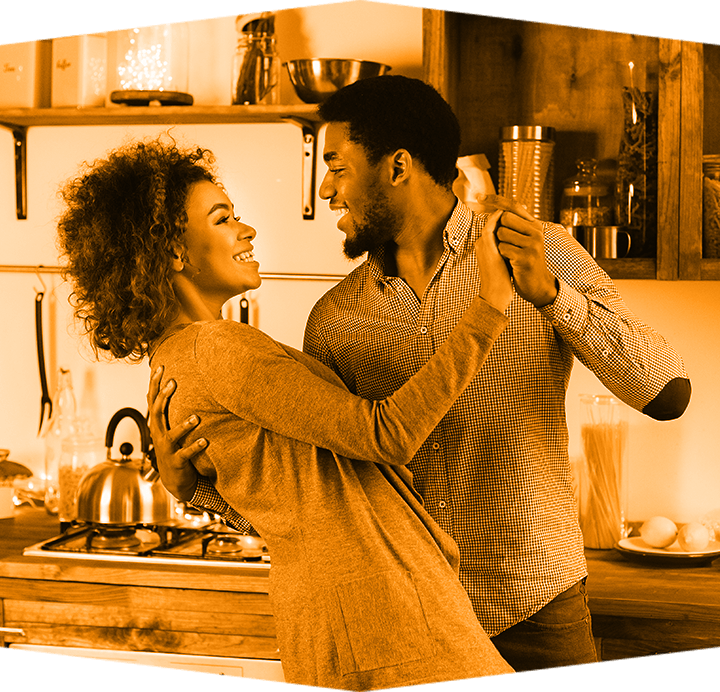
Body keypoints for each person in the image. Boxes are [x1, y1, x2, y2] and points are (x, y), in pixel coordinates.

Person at [150, 75, 692, 673]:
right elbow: (321, 501)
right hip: (405, 622)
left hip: (537, 605)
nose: (326, 190)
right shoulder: (333, 320)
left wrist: (552, 296)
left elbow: (666, 391)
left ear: (398, 166)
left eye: (337, 166)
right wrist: (195, 490)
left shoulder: (537, 252)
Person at [56, 136, 516, 690]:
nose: (246, 231)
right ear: (173, 252)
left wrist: (190, 489)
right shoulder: (216, 348)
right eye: (224, 218)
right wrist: (490, 303)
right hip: (384, 617)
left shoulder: (176, 360)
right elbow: (386, 435)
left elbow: (287, 502)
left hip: (340, 622)